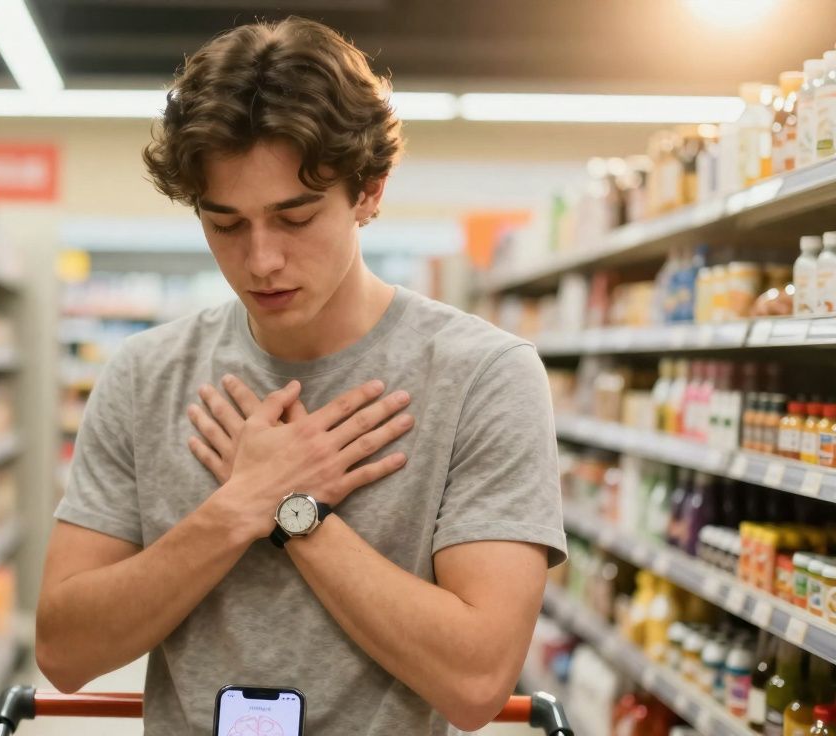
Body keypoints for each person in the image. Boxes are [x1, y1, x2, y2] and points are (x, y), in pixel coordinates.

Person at [35, 16, 567, 735]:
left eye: (295, 217)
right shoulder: (145, 376)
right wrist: (232, 511)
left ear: (370, 191)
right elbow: (63, 651)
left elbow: (476, 681)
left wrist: (295, 513)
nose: (260, 261)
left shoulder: (484, 376)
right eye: (225, 224)